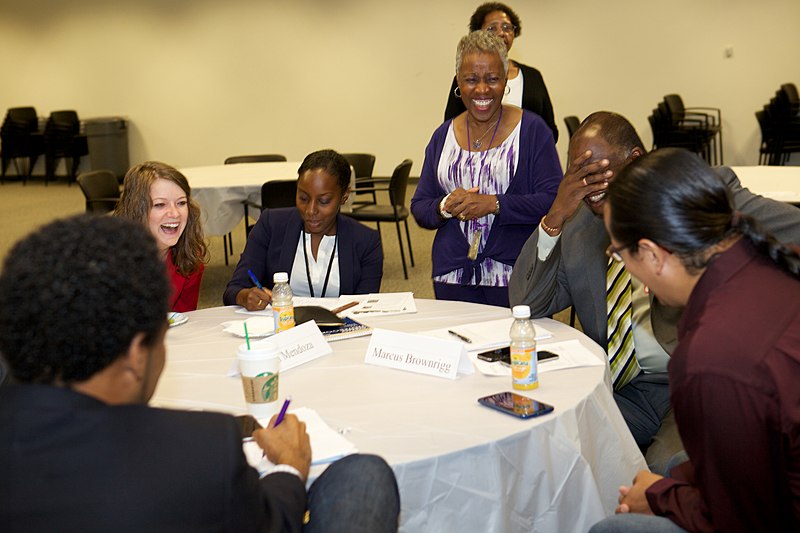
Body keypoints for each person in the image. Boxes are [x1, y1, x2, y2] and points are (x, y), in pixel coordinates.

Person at [0, 214, 400, 532]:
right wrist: (289, 469)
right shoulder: (204, 451)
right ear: (137, 354)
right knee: (367, 475)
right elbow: (271, 523)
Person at [508, 111, 800, 465]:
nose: (590, 185)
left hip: (692, 383)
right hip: (621, 388)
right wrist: (554, 217)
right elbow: (526, 305)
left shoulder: (692, 198)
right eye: (579, 173)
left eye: (598, 171)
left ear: (635, 160)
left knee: (667, 471)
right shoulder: (579, 223)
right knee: (544, 444)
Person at [589, 148, 800, 532]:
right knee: (673, 466)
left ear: (651, 254)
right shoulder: (770, 261)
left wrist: (659, 497)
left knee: (610, 528)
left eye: (618, 253)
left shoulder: (708, 359)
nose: (620, 262)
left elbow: (744, 520)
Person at [412, 30, 561, 308]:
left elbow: (553, 200)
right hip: (452, 274)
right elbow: (420, 206)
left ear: (505, 80)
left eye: (492, 79)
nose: (482, 90)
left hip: (516, 273)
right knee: (457, 336)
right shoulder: (442, 136)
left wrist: (495, 204)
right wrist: (445, 206)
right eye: (471, 79)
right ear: (458, 81)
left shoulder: (532, 131)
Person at [224, 149, 382, 311]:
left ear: (344, 196)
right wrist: (245, 296)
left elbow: (365, 306)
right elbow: (233, 289)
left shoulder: (366, 241)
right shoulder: (271, 224)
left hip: (340, 326)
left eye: (323, 201)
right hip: (281, 323)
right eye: (303, 198)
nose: (310, 210)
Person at [443, 2, 559, 142]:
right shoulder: (466, 80)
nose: (501, 33)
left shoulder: (533, 76)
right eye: (492, 28)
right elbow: (451, 128)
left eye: (506, 27)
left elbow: (550, 129)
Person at [115, 161, 208, 312]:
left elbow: (183, 318)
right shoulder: (113, 262)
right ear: (137, 211)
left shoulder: (189, 256)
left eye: (181, 203)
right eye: (160, 205)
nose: (175, 213)